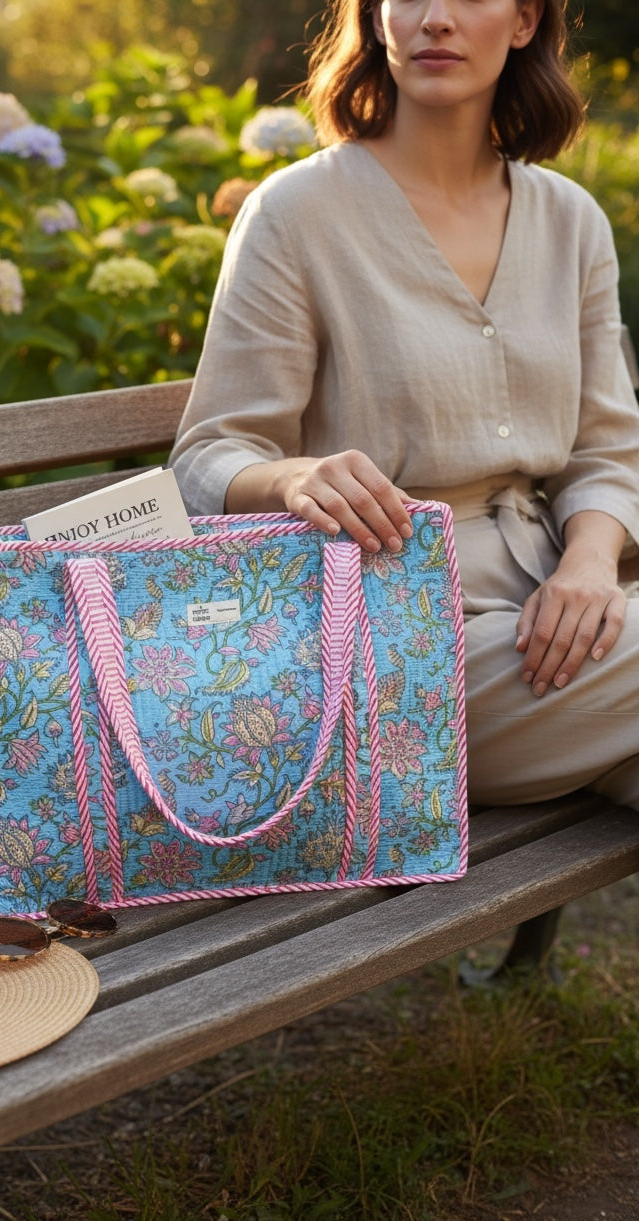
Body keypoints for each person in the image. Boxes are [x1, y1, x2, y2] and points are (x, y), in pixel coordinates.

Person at [169, 0, 639, 810]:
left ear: (525, 21)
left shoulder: (573, 223)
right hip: (392, 647)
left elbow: (605, 452)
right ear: (377, 18)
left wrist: (592, 566)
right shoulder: (297, 214)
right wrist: (292, 479)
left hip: (567, 618)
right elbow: (208, 455)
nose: (436, 19)